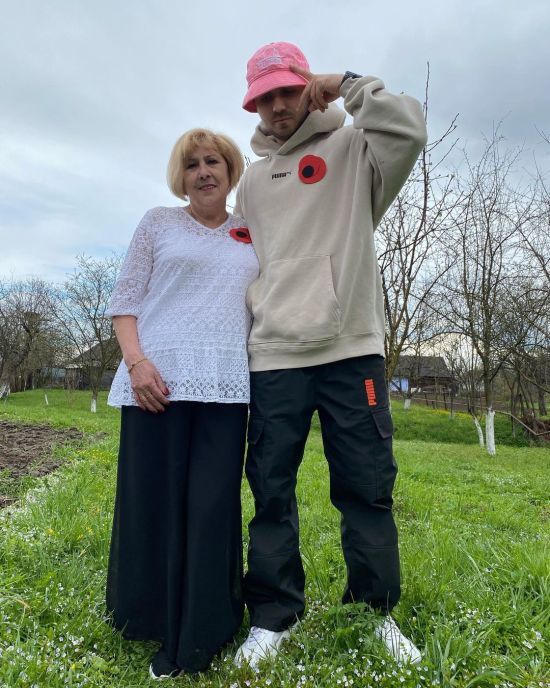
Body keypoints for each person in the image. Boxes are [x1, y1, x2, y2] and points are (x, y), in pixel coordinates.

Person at [233, 42, 428, 669]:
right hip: (273, 356)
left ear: (306, 87)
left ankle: (374, 613)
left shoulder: (356, 149)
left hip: (351, 352)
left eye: (287, 91)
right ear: (253, 105)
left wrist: (346, 82)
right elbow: (239, 262)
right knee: (271, 492)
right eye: (264, 97)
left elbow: (409, 127)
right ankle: (274, 616)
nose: (277, 106)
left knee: (365, 489)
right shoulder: (251, 180)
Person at [105, 128, 258, 679]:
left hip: (226, 387)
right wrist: (137, 364)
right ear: (181, 176)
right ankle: (148, 617)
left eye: (213, 161)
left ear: (231, 169)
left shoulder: (252, 229)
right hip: (156, 387)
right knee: (156, 504)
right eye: (191, 164)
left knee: (212, 508)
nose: (203, 172)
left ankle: (205, 627)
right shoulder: (158, 223)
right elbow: (125, 301)